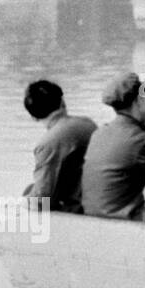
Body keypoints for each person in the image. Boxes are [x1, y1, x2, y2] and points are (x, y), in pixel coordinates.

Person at [81, 72, 145, 219]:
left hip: (93, 214)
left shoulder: (99, 133)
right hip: (125, 219)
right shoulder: (142, 140)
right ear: (138, 101)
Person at [22, 80, 96, 213]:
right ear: (63, 103)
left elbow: (41, 198)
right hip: (95, 196)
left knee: (25, 197)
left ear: (33, 117)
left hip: (76, 207)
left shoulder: (47, 143)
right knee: (29, 190)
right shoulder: (88, 124)